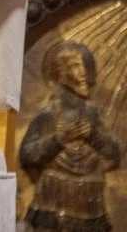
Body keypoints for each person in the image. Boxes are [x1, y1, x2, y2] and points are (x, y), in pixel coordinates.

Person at [20, 41, 120, 231]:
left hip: (91, 203)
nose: (83, 72)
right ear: (60, 74)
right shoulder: (49, 114)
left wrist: (93, 135)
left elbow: (114, 153)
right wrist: (58, 139)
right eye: (75, 65)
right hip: (55, 200)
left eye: (83, 65)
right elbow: (27, 155)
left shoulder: (92, 114)